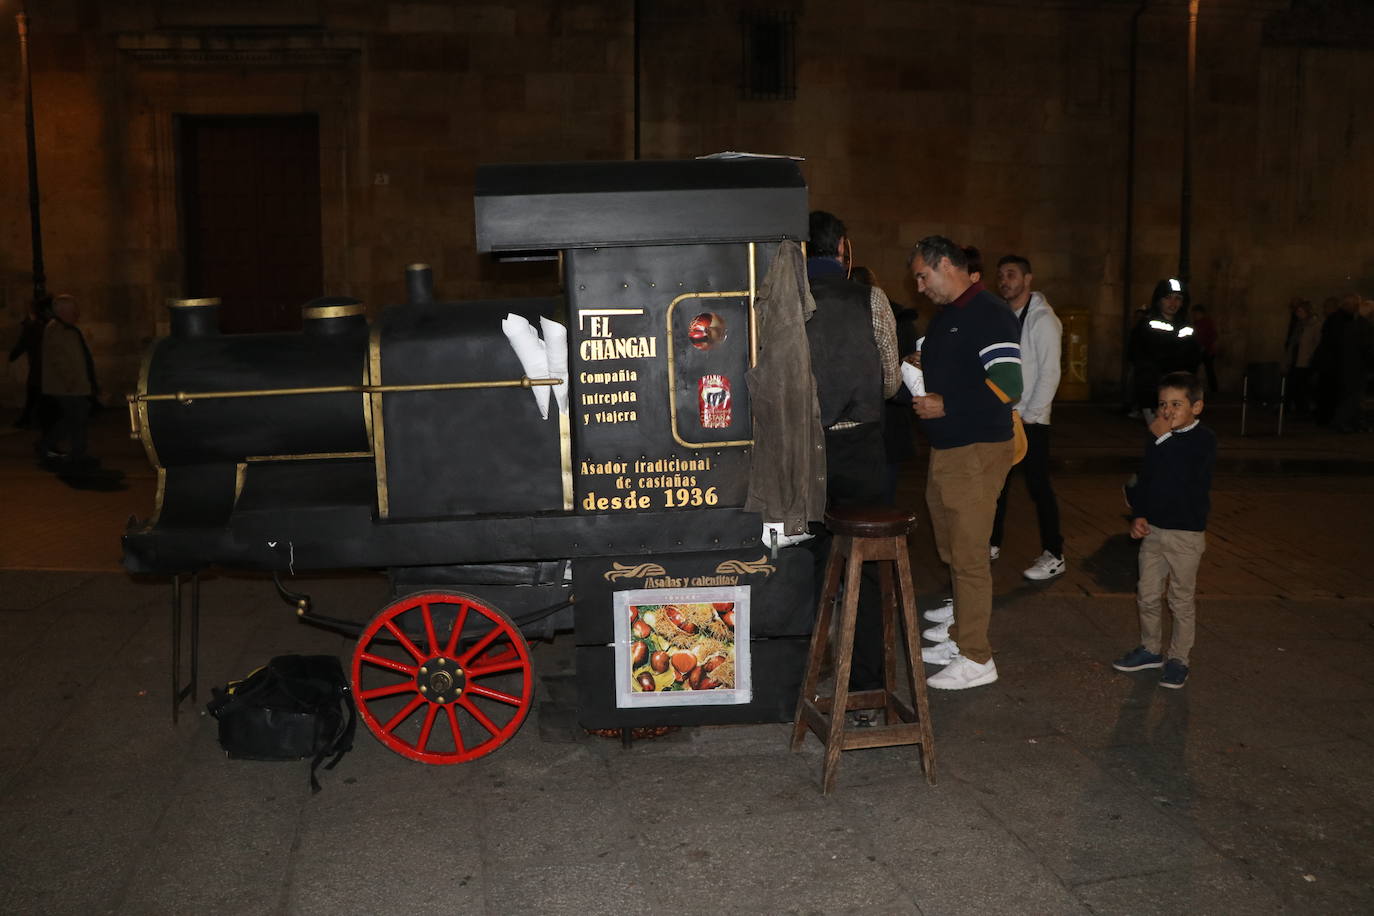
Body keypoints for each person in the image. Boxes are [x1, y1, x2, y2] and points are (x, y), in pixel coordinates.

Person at [908, 236, 1022, 690]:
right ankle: (960, 637)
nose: (918, 286)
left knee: (971, 555)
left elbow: (1008, 383)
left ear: (944, 265)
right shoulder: (949, 316)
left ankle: (977, 657)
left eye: (922, 274)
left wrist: (948, 403)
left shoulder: (988, 313)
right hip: (951, 448)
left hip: (977, 448)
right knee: (952, 547)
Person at [804, 212, 901, 698]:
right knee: (864, 568)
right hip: (859, 451)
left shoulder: (785, 303)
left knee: (808, 564)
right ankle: (865, 685)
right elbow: (889, 381)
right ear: (844, 248)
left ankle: (804, 673)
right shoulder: (872, 299)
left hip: (805, 455)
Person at [1112, 371, 1216, 689]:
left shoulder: (1203, 440)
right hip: (1155, 530)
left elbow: (1186, 476)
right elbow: (1148, 478)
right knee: (1146, 593)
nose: (1168, 411)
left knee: (1180, 599)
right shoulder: (1159, 437)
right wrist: (1139, 515)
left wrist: (1163, 438)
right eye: (1162, 404)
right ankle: (1150, 649)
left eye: (1176, 404)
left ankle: (1179, 659)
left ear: (1196, 407)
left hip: (1186, 534)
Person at [988, 254, 1066, 580]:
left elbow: (1050, 371)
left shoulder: (1042, 319)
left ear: (1028, 279)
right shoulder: (1008, 314)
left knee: (1038, 487)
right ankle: (991, 543)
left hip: (1030, 420)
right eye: (1001, 275)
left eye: (1012, 274)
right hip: (1011, 415)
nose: (1005, 280)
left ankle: (1055, 553)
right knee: (999, 484)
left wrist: (1032, 415)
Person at [852, 265, 920, 506]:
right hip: (883, 425)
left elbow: (905, 380)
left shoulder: (899, 321)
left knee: (875, 503)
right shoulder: (900, 320)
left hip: (884, 425)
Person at [1128, 278, 1201, 424]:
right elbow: (1137, 356)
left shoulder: (1187, 327)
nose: (1173, 303)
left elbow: (1194, 356)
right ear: (1159, 300)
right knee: (1160, 434)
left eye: (1178, 299)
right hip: (1154, 392)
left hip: (1180, 392)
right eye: (1168, 298)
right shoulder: (1146, 326)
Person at [37, 294, 93, 464]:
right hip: (67, 386)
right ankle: (73, 452)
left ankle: (53, 446)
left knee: (74, 418)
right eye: (73, 310)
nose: (77, 313)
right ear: (62, 312)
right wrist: (71, 381)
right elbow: (59, 359)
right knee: (76, 417)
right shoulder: (57, 329)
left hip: (73, 385)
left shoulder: (66, 328)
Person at [8, 298, 49, 428]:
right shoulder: (44, 325)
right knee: (36, 392)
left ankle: (28, 419)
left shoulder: (34, 327)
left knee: (34, 392)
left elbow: (23, 343)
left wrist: (13, 355)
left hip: (40, 366)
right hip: (43, 366)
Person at [1284, 298, 1321, 417]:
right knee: (1293, 385)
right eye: (1297, 311)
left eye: (1300, 311)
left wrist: (1312, 358)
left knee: (1302, 387)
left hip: (1305, 361)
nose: (1297, 313)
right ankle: (1296, 408)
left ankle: (1303, 410)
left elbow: (1317, 343)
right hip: (1296, 359)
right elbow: (1293, 343)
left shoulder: (1315, 325)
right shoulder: (1299, 325)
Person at [1191, 304, 1218, 392]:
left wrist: (1205, 346)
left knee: (1209, 371)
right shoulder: (1196, 323)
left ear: (1201, 313)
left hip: (1207, 351)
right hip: (1199, 350)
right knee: (1193, 370)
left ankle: (1214, 390)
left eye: (1196, 313)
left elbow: (1212, 336)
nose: (1195, 315)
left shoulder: (1207, 323)